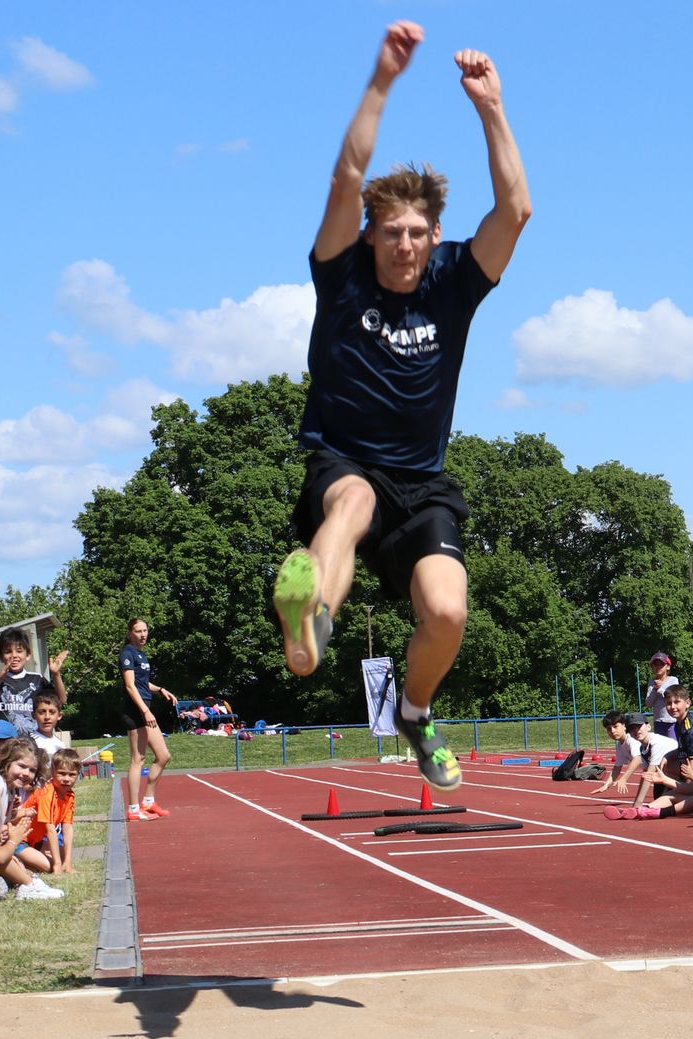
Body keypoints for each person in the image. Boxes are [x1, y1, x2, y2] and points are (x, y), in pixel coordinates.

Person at [270, 20, 531, 792]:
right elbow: (345, 177)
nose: (405, 245)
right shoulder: (342, 275)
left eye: (417, 233)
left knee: (447, 613)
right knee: (349, 503)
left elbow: (515, 210)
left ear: (436, 234)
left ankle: (415, 715)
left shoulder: (454, 282)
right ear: (369, 235)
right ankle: (312, 619)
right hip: (345, 460)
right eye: (391, 233)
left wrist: (491, 108)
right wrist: (382, 80)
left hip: (423, 482)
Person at [118, 618, 175, 822]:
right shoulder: (127, 653)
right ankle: (133, 809)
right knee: (138, 759)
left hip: (144, 710)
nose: (143, 634)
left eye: (145, 630)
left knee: (163, 756)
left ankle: (148, 802)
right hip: (136, 711)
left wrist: (160, 689)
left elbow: (142, 683)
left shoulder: (141, 655)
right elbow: (130, 686)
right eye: (138, 631)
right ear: (129, 633)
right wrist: (145, 711)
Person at [0, 627, 69, 730]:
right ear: (1, 657)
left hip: (29, 737)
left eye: (19, 651)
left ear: (28, 655)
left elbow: (61, 700)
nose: (14, 656)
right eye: (8, 651)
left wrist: (56, 674)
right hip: (2, 738)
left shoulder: (37, 679)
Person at [25, 748, 81, 874]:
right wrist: (57, 864)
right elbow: (50, 829)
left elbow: (67, 828)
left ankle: (34, 861)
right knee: (48, 866)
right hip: (22, 840)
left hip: (38, 841)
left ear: (78, 774)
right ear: (52, 771)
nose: (66, 779)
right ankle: (22, 861)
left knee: (62, 855)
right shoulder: (47, 793)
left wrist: (67, 862)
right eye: (61, 773)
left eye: (72, 774)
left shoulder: (69, 795)